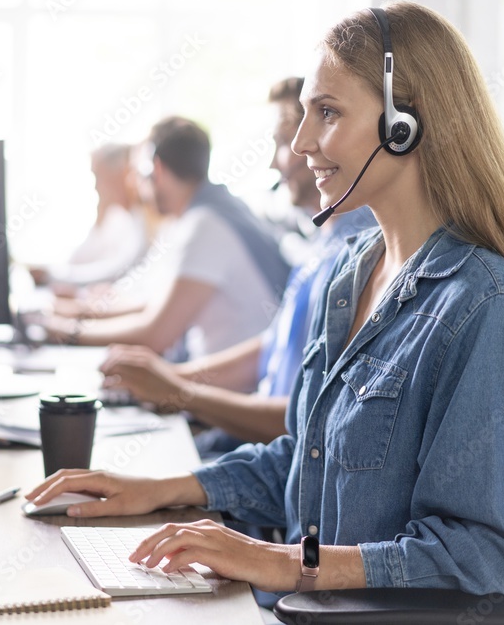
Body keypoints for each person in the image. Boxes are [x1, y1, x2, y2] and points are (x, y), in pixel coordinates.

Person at [25, 2, 504, 600]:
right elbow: (305, 461)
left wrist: (290, 562)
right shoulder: (353, 274)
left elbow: (490, 559)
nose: (300, 142)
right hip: (301, 607)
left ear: (405, 124)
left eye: (327, 113)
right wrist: (161, 488)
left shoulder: (485, 308)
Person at [99, 77, 377, 455]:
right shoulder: (324, 243)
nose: (277, 159)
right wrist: (169, 379)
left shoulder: (359, 253)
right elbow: (271, 349)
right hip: (259, 446)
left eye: (281, 141)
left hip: (276, 462)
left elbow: (308, 419)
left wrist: (179, 391)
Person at [38, 116, 291, 361]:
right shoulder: (212, 211)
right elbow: (153, 304)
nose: (135, 185)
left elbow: (156, 333)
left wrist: (64, 330)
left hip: (223, 391)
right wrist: (78, 314)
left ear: (156, 169)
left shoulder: (204, 226)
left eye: (138, 173)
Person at [30, 143, 146, 290]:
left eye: (99, 176)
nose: (96, 187)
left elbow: (117, 272)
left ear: (120, 174)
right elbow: (76, 260)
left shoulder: (141, 221)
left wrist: (53, 276)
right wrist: (98, 222)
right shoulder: (115, 218)